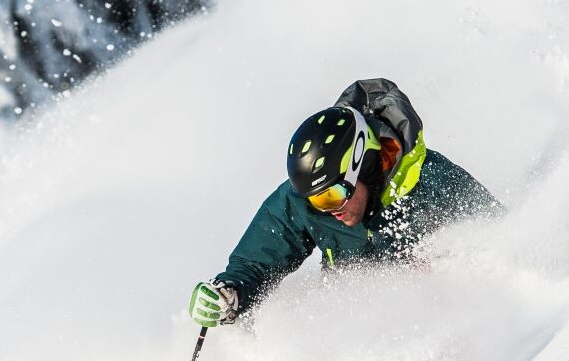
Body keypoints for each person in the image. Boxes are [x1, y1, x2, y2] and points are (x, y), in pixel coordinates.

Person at [189, 78, 501, 327]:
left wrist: (448, 268)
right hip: (354, 334)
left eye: (333, 195)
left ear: (362, 165)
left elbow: (502, 241)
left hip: (441, 326)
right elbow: (256, 261)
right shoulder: (312, 199)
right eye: (317, 200)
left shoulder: (432, 183)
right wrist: (230, 291)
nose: (329, 209)